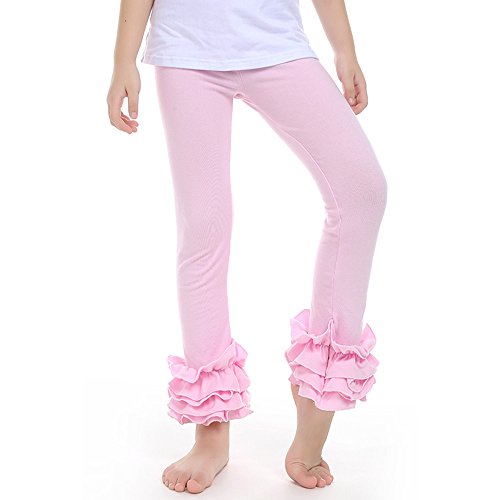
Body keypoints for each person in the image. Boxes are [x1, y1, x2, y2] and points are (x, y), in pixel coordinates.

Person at [107, 0, 388, 493]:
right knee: (204, 228)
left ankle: (320, 392)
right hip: (187, 50)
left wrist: (344, 48)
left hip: (275, 42)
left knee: (361, 191)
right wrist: (122, 59)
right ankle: (211, 430)